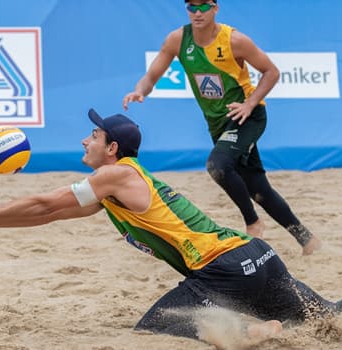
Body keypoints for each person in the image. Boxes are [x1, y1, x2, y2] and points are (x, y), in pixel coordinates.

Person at [0, 109, 342, 346]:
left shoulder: (114, 175)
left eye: (93, 134)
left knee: (156, 322)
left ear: (113, 148)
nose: (85, 140)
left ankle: (249, 333)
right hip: (256, 257)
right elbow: (48, 213)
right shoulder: (118, 189)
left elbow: (40, 199)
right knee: (330, 315)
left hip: (224, 270)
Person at [122, 0, 320, 255]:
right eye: (191, 7)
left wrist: (249, 104)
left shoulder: (235, 40)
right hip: (218, 123)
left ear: (215, 8)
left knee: (217, 165)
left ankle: (253, 222)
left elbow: (271, 71)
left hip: (247, 116)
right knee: (258, 187)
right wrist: (139, 91)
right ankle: (307, 240)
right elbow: (151, 76)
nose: (197, 13)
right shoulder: (177, 40)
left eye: (203, 7)